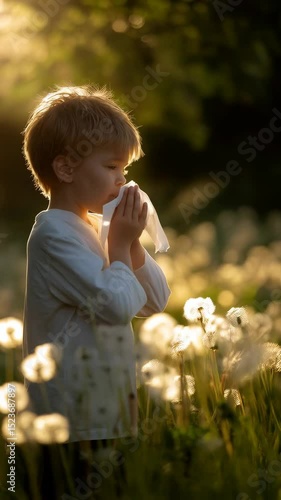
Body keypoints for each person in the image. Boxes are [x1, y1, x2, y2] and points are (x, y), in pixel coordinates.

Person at [21, 85, 171, 498]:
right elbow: (117, 306)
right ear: (66, 169)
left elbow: (155, 302)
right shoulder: (54, 234)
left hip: (109, 412)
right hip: (72, 421)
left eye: (124, 170)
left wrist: (132, 242)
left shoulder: (91, 228)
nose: (122, 181)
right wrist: (119, 244)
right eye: (112, 168)